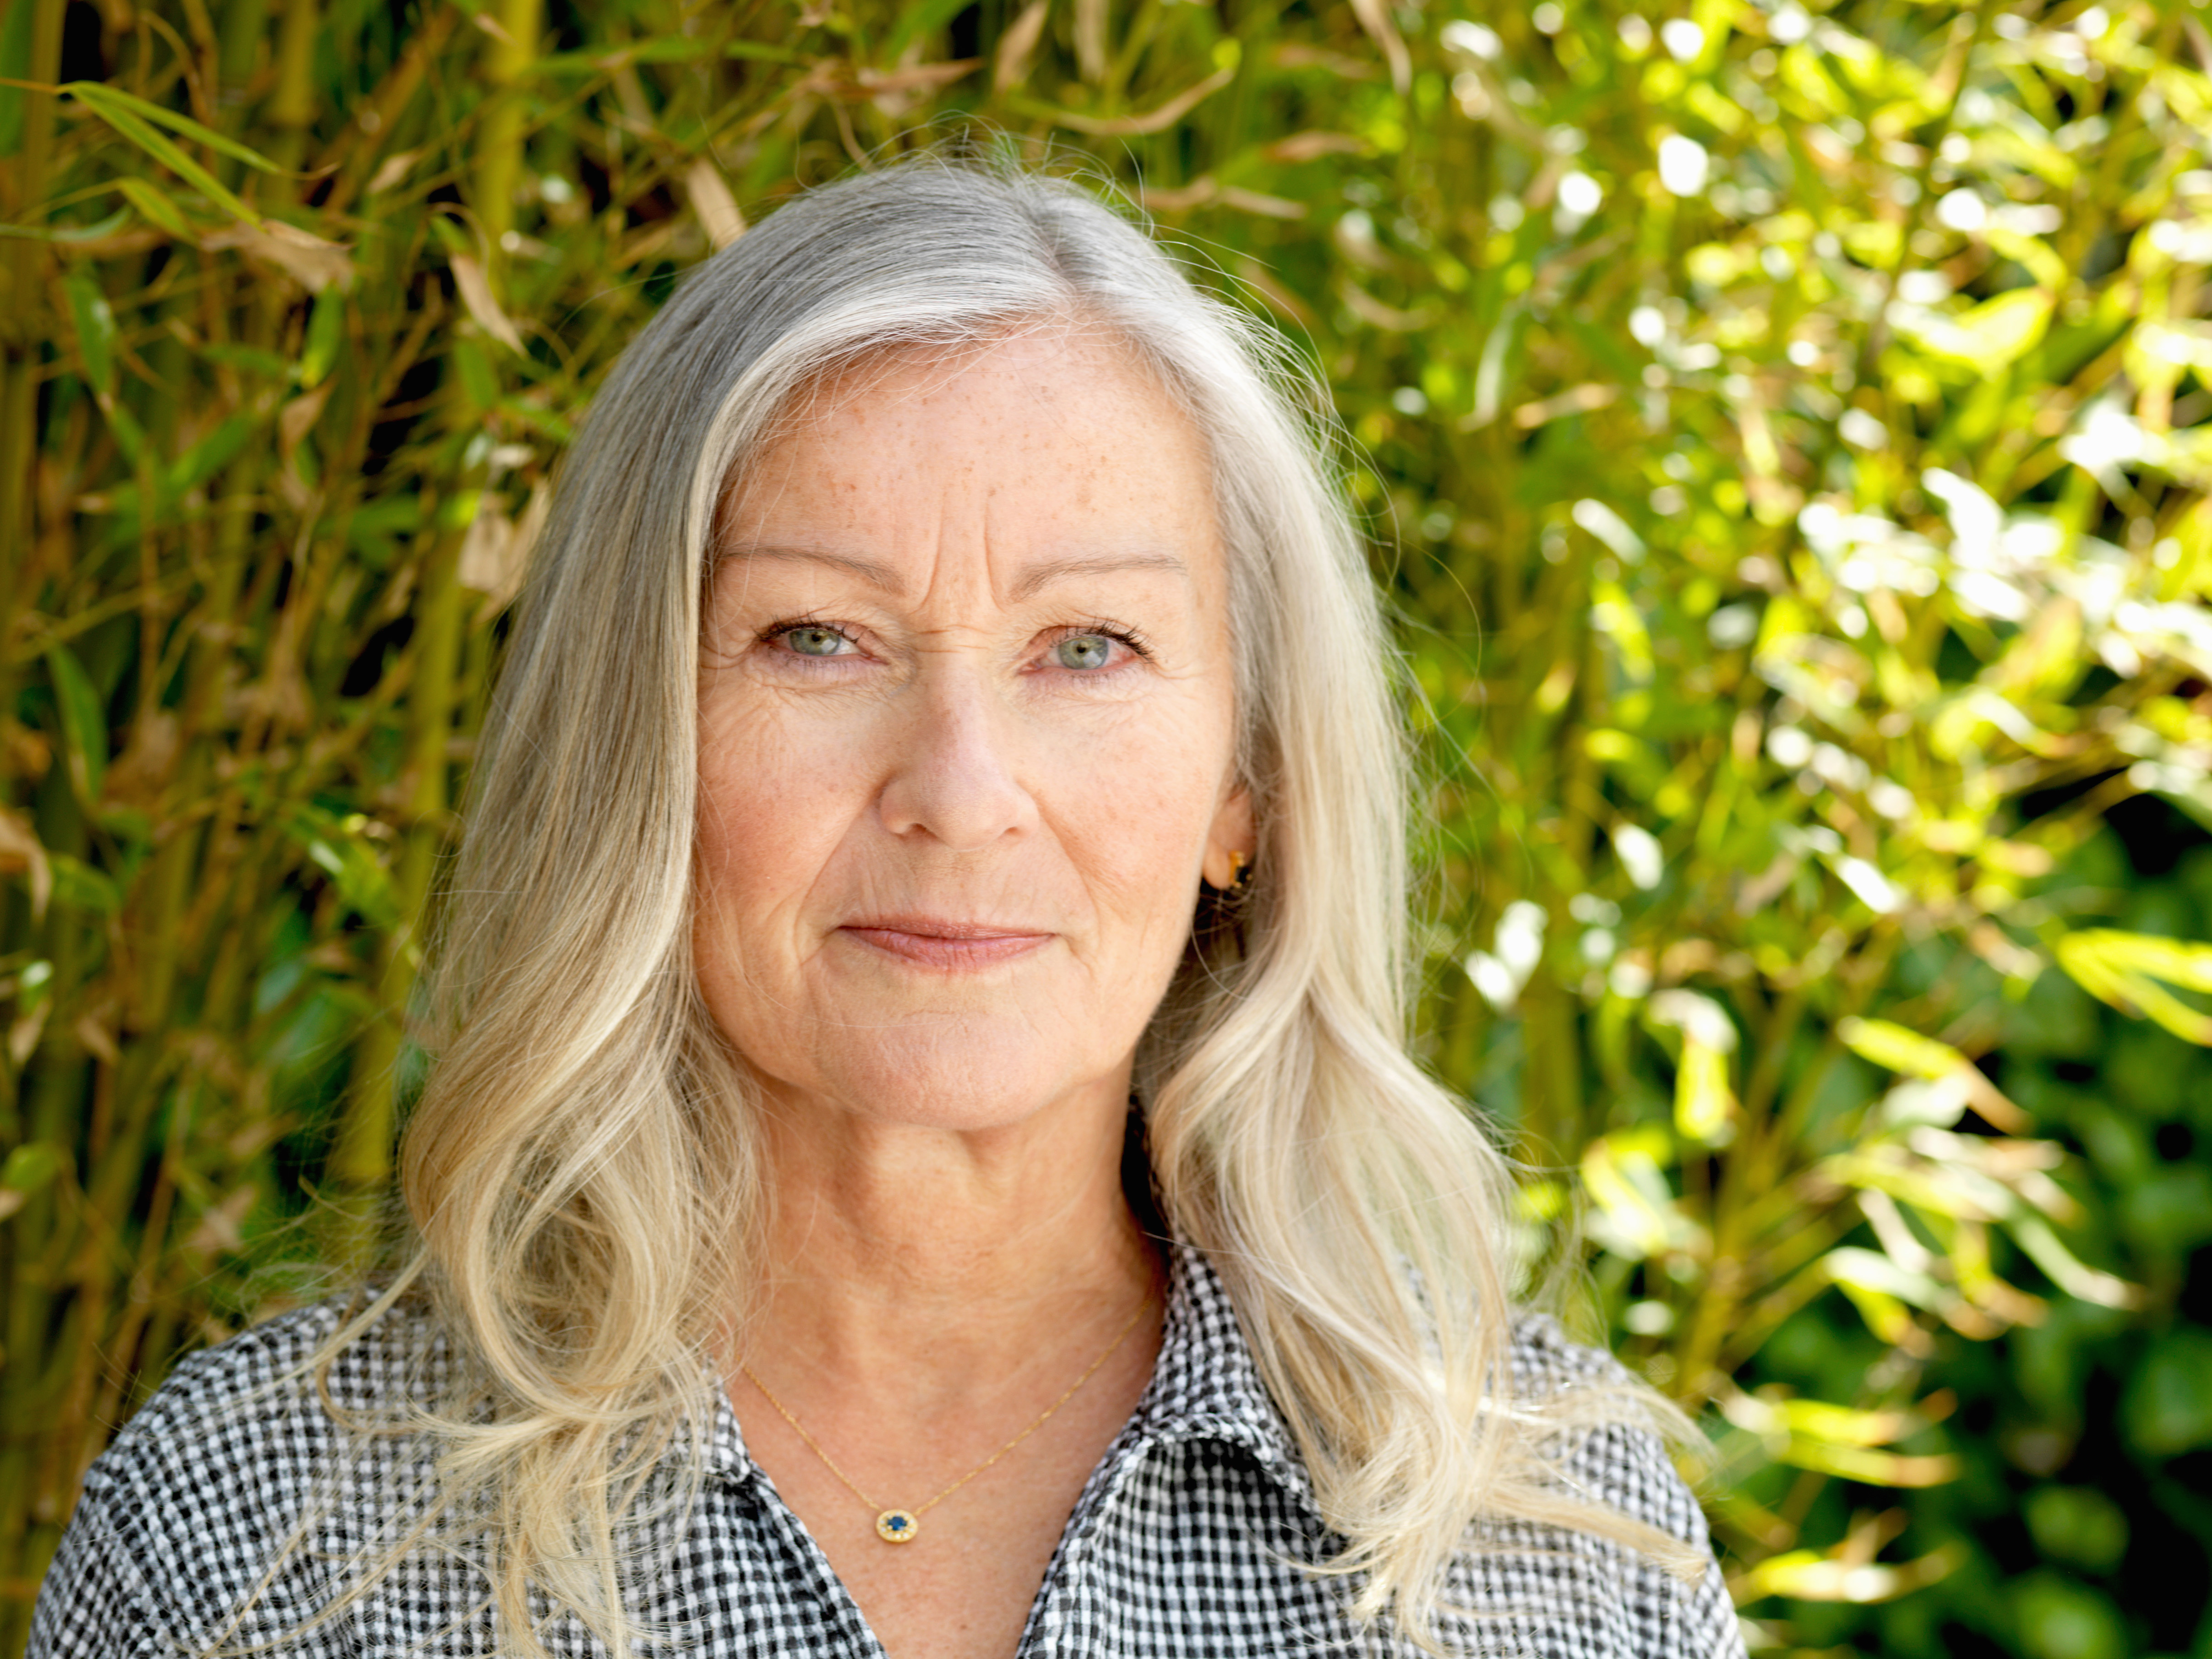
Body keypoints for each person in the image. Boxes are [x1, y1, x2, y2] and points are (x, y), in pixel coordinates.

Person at [30, 157, 1743, 1659]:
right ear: (642, 743)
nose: (961, 786)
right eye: (817, 639)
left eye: (1089, 649)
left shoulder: (1543, 1547)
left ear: (1246, 788)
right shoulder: (262, 1540)